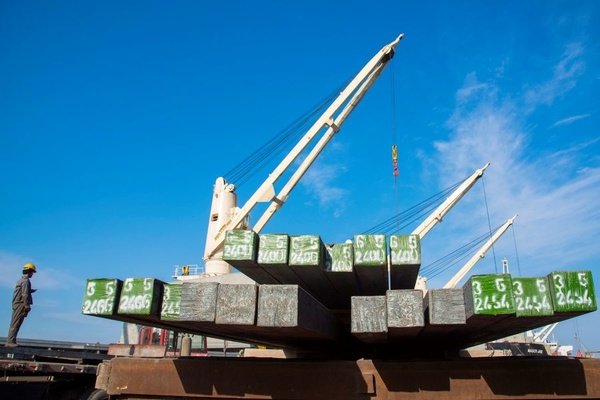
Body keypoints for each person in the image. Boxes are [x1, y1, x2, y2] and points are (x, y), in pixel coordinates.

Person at [6, 263, 37, 347]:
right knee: (15, 323)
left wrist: (29, 291)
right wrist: (26, 305)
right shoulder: (26, 281)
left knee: (15, 323)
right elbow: (24, 294)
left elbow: (23, 291)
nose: (32, 274)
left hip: (17, 303)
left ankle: (11, 341)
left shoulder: (21, 280)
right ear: (29, 271)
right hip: (20, 304)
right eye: (32, 272)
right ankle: (10, 342)